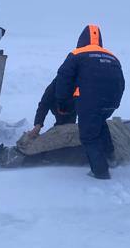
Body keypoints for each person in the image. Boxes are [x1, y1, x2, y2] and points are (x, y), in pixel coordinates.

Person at [54, 25, 126, 180]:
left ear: (81, 39)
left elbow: (63, 79)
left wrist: (63, 103)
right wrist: (115, 101)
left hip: (91, 100)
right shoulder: (112, 57)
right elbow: (121, 81)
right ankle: (110, 157)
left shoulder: (76, 54)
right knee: (99, 122)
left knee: (88, 136)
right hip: (112, 100)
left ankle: (100, 172)